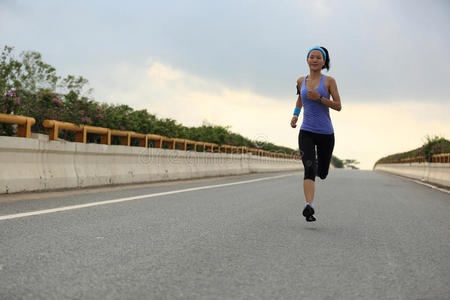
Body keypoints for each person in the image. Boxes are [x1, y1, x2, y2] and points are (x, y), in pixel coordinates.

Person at [290, 46, 342, 222]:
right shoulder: (300, 81)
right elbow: (300, 99)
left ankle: (321, 164)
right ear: (307, 60)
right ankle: (309, 206)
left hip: (326, 133)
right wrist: (295, 115)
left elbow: (338, 106)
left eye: (318, 57)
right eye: (311, 57)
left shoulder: (329, 81)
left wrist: (319, 98)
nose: (314, 59)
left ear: (324, 62)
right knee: (309, 167)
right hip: (306, 131)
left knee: (322, 173)